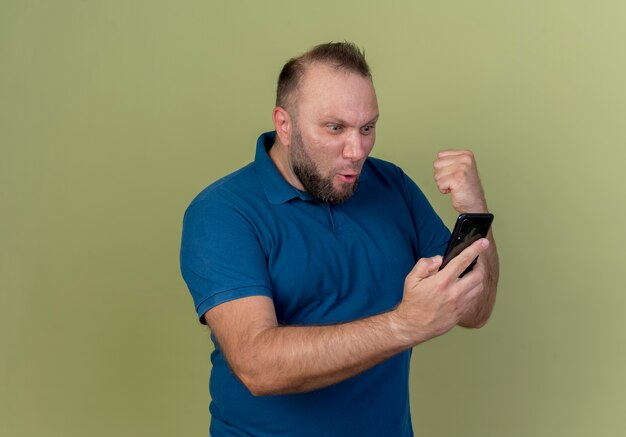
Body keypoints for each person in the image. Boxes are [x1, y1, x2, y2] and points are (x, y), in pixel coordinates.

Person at [180, 41, 499, 437]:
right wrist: (402, 326)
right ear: (285, 124)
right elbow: (256, 365)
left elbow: (475, 311)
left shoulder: (392, 186)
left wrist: (474, 209)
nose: (357, 149)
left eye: (368, 127)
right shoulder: (223, 212)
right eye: (335, 128)